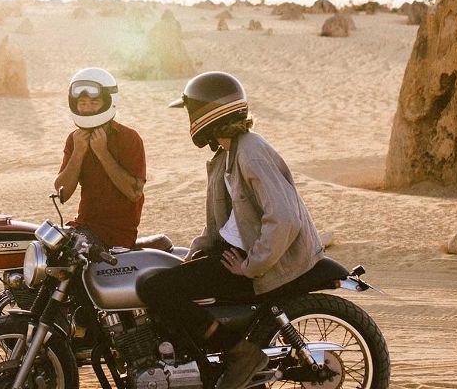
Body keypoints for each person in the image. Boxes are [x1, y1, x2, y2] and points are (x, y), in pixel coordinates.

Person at [136, 71, 324, 389]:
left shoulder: (251, 154)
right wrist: (201, 246)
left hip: (263, 259)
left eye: (191, 113)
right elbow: (228, 221)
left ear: (208, 115)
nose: (189, 122)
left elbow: (284, 218)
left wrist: (251, 266)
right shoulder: (227, 154)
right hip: (238, 250)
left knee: (155, 288)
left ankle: (238, 350)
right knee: (160, 273)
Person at [54, 67, 146, 248]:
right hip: (84, 227)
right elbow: (62, 193)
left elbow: (134, 193)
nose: (87, 108)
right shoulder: (75, 139)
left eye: (94, 102)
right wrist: (78, 152)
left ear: (108, 102)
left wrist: (102, 153)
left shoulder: (129, 138)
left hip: (118, 233)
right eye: (82, 102)